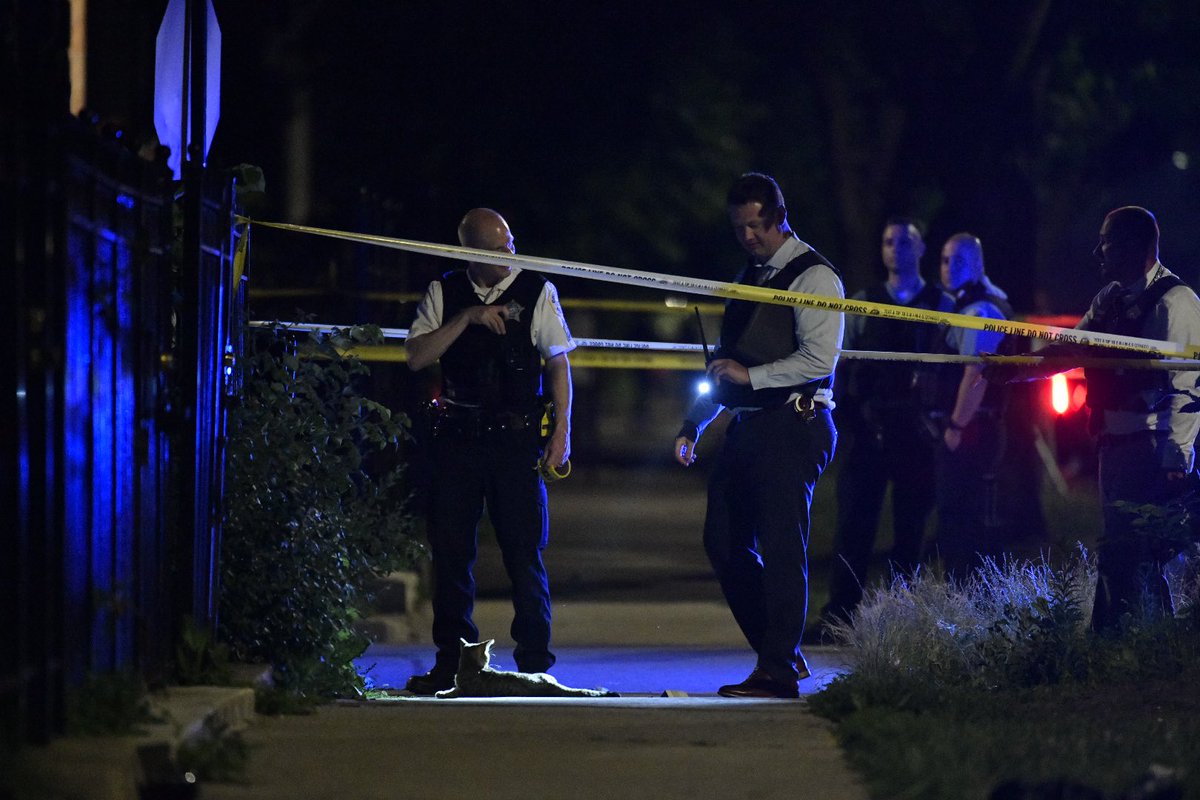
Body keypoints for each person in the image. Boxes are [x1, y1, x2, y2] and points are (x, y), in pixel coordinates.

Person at [987, 206, 1200, 630]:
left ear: (1138, 247)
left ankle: (1118, 644)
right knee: (1127, 551)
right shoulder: (1110, 299)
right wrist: (1017, 370)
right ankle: (1141, 642)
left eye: (1107, 242)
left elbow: (1187, 387)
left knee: (1133, 552)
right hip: (1113, 445)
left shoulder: (1177, 303)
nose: (1097, 252)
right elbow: (1071, 349)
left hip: (1152, 448)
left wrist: (1177, 458)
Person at [673, 172, 843, 699]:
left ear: (778, 216)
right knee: (722, 541)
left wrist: (755, 379)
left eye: (756, 225)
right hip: (750, 425)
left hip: (795, 422)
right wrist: (694, 422)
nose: (748, 236)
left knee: (782, 546)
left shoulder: (815, 278)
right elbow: (728, 362)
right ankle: (782, 655)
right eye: (739, 227)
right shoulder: (751, 275)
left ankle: (775, 670)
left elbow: (819, 358)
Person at [403, 208, 575, 694]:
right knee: (452, 554)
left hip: (516, 441)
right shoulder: (444, 292)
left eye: (511, 244)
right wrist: (467, 318)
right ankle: (454, 661)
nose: (510, 256)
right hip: (457, 439)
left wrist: (561, 431)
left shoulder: (537, 291)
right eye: (499, 250)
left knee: (525, 552)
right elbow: (417, 356)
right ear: (471, 254)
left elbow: (558, 363)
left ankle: (535, 662)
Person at [819, 218, 955, 628]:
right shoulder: (863, 302)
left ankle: (901, 621)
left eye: (903, 241)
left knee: (910, 534)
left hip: (916, 434)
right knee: (853, 529)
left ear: (920, 249)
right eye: (887, 241)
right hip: (870, 430)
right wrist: (842, 415)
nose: (894, 248)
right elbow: (843, 369)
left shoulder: (941, 305)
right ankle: (840, 617)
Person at [931, 233, 1013, 578]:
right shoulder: (968, 303)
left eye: (959, 261)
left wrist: (956, 427)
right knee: (961, 515)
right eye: (946, 260)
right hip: (972, 428)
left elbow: (975, 373)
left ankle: (965, 597)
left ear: (977, 265)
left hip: (972, 430)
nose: (949, 268)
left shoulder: (981, 309)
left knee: (963, 517)